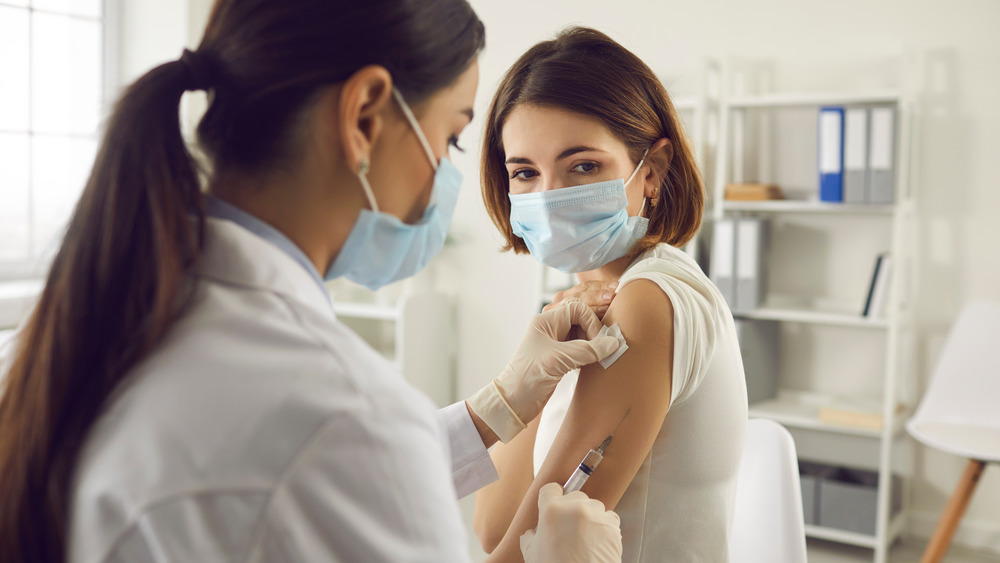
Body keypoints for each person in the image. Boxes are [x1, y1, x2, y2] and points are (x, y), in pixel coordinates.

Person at [0, 3, 625, 562]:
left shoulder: (61, 333)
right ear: (365, 116)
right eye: (450, 136)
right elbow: (336, 460)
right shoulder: (345, 415)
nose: (444, 172)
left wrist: (504, 401)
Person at [473, 27, 749, 562]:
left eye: (583, 166)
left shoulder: (648, 301)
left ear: (652, 171)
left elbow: (523, 550)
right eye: (525, 172)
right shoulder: (570, 311)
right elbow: (492, 526)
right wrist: (531, 381)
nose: (549, 197)